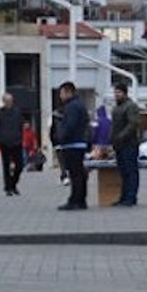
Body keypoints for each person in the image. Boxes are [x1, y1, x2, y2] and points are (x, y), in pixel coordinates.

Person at [56, 81, 90, 211]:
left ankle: (75, 200)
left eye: (62, 93)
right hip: (79, 143)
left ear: (69, 92)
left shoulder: (72, 107)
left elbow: (70, 125)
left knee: (75, 174)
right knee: (79, 173)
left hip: (72, 144)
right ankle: (80, 200)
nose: (61, 96)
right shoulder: (80, 105)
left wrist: (61, 136)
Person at [109, 83, 141, 207]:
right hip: (119, 145)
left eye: (119, 92)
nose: (116, 95)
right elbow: (114, 126)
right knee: (123, 172)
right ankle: (124, 197)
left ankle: (130, 197)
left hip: (129, 144)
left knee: (130, 171)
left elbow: (133, 124)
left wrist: (120, 136)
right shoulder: (116, 108)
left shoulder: (130, 106)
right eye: (115, 92)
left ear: (125, 93)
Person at [0, 93, 25, 196]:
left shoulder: (17, 112)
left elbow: (20, 124)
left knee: (19, 165)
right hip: (4, 142)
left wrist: (19, 136)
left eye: (11, 101)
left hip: (16, 141)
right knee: (6, 165)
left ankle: (13, 183)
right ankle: (8, 187)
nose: (9, 103)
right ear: (3, 101)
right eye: (7, 101)